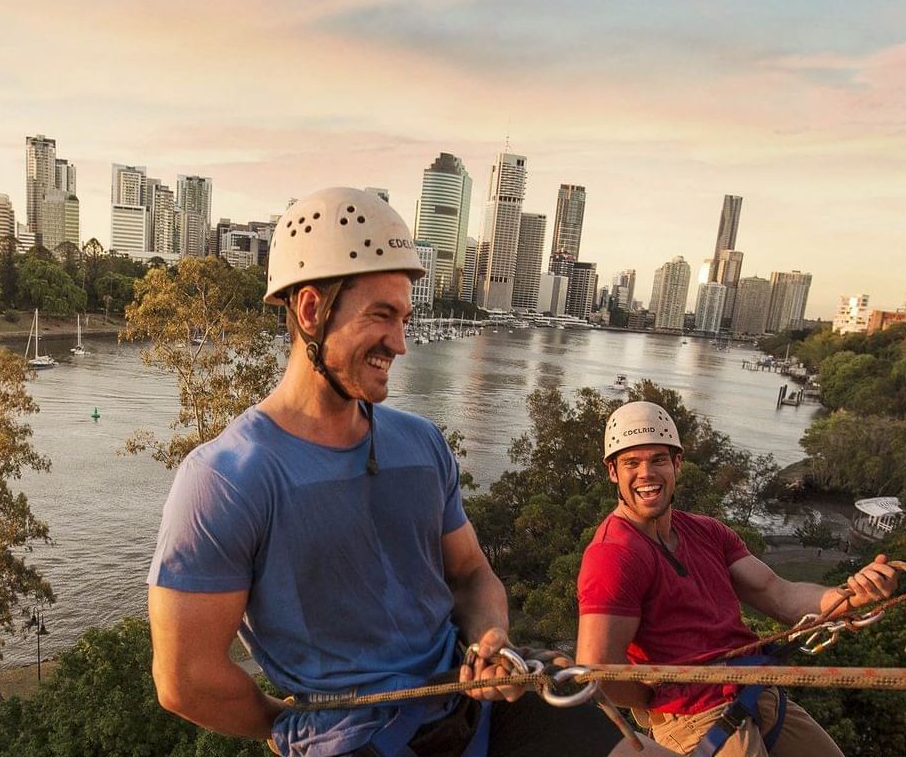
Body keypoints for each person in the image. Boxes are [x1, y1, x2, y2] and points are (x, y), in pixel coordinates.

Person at [149, 187, 615, 757]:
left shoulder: (420, 444)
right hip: (355, 739)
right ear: (312, 310)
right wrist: (283, 725)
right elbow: (185, 681)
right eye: (382, 316)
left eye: (405, 318)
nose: (400, 342)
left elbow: (469, 573)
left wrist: (489, 638)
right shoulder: (227, 479)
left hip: (474, 709)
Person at [575, 401, 899, 756]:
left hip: (757, 692)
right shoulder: (614, 554)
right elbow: (598, 671)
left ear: (677, 464)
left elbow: (779, 595)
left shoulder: (708, 532)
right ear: (612, 472)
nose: (646, 473)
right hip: (696, 719)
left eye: (658, 460)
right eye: (631, 463)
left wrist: (852, 595)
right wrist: (657, 698)